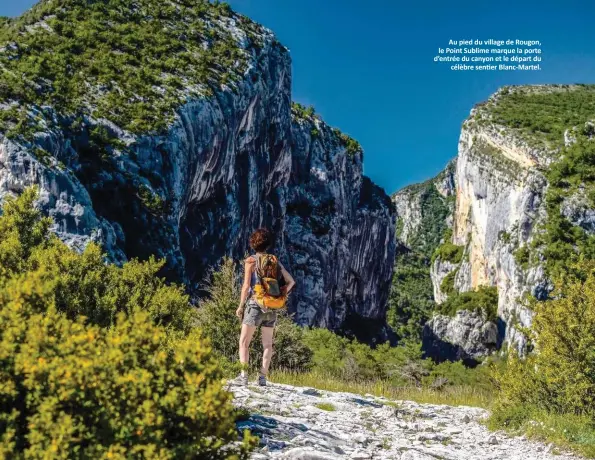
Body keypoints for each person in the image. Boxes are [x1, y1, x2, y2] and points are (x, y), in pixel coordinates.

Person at [236, 228, 295, 386]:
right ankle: (262, 377)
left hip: (255, 305)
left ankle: (243, 376)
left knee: (244, 342)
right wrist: (281, 294)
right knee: (268, 344)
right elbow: (291, 282)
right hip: (272, 307)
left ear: (253, 244)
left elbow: (246, 286)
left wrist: (241, 306)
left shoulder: (251, 261)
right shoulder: (275, 261)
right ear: (267, 244)